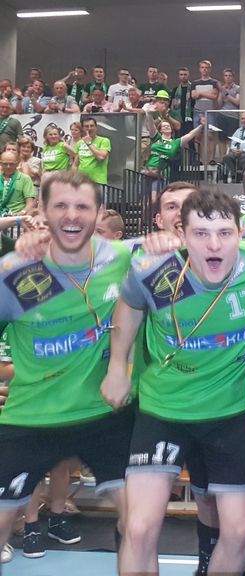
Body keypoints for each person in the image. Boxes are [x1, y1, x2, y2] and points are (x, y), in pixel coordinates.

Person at [106, 188, 245, 576]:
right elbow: (129, 305)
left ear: (240, 233)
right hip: (162, 410)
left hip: (229, 415)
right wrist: (118, 366)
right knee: (139, 526)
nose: (214, 244)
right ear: (182, 235)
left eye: (225, 233)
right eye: (201, 234)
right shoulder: (154, 268)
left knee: (239, 529)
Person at [0, 171, 134, 569]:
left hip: (104, 412)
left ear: (98, 213)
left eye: (81, 206)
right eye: (60, 205)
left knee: (140, 520)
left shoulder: (123, 258)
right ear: (41, 210)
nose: (71, 215)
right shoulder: (14, 270)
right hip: (32, 415)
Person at [73, 117, 111, 185]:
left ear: (96, 128)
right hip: (81, 181)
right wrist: (73, 178)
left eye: (92, 126)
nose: (89, 128)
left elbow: (101, 157)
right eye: (86, 126)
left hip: (97, 181)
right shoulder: (79, 143)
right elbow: (76, 164)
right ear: (83, 129)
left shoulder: (104, 141)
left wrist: (89, 144)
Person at [221, 112, 245, 181]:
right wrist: (234, 150)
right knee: (226, 157)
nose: (244, 121)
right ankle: (235, 176)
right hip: (236, 152)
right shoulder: (238, 131)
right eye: (242, 119)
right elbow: (233, 142)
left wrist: (243, 150)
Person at [0, 151, 36, 215]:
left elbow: (30, 203)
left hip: (16, 218)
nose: (8, 166)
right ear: (1, 163)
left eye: (11, 164)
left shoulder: (25, 179)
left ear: (17, 163)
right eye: (5, 164)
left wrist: (21, 213)